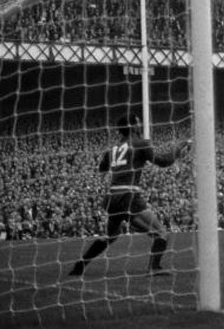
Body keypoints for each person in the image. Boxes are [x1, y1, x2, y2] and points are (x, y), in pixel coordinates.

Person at [68, 114, 189, 277]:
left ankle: (80, 266)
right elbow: (162, 161)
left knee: (110, 236)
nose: (140, 126)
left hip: (112, 198)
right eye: (138, 123)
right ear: (133, 127)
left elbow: (102, 168)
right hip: (129, 196)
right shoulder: (140, 143)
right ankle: (154, 268)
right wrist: (177, 148)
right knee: (161, 232)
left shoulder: (113, 149)